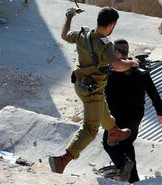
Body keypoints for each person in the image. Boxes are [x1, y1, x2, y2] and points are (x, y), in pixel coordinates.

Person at [49, 7, 140, 174]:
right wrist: (132, 63)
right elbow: (118, 66)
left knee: (102, 108)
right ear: (112, 25)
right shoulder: (105, 44)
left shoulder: (83, 35)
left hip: (81, 84)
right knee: (90, 128)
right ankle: (63, 160)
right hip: (92, 91)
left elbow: (64, 35)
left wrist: (69, 16)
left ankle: (113, 132)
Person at [102, 39, 162, 183]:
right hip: (135, 116)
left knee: (109, 143)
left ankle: (124, 166)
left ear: (118, 52)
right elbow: (153, 93)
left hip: (117, 118)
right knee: (127, 143)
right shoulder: (139, 71)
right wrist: (160, 112)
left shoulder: (110, 72)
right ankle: (133, 179)